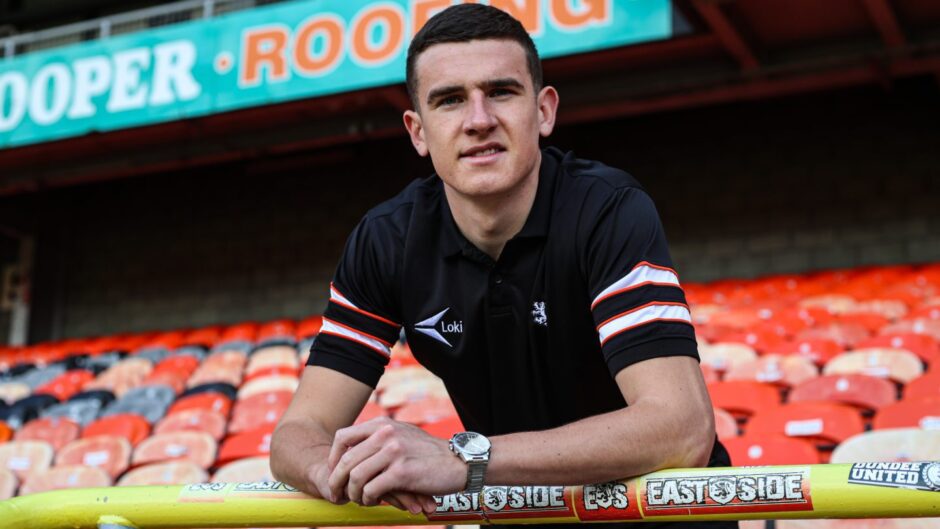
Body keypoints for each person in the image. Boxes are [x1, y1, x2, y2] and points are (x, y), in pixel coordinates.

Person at [271, 4, 735, 529]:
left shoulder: (606, 209)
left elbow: (680, 427)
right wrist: (346, 471)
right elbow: (295, 434)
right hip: (522, 515)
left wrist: (464, 458)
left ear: (543, 111)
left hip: (658, 518)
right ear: (418, 132)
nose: (478, 120)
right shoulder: (388, 241)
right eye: (449, 101)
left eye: (501, 92)